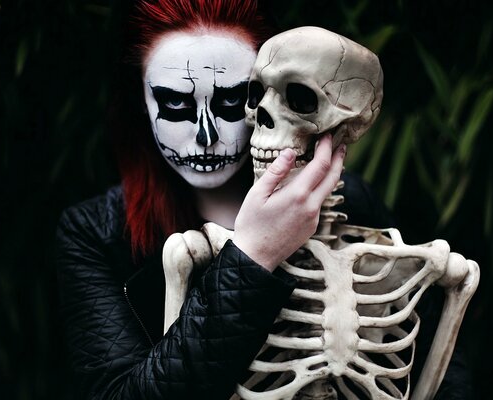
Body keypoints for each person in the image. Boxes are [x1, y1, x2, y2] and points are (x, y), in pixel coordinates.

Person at [56, 0, 470, 398]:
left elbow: (440, 371)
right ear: (141, 105)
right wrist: (252, 255)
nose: (207, 136)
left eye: (234, 100)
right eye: (176, 103)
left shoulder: (353, 201)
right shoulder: (97, 233)